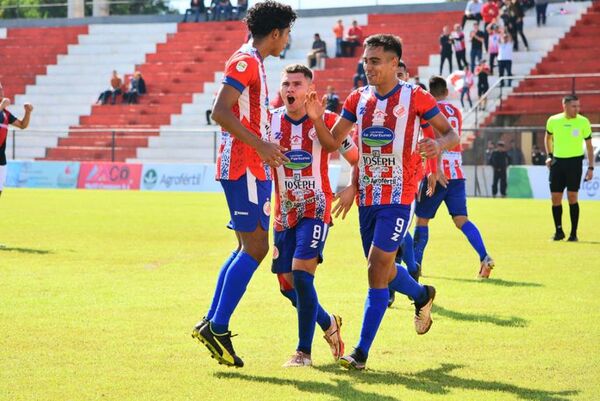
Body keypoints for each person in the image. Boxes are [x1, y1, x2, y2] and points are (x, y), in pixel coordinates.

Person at [330, 34, 459, 370]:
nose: (368, 66)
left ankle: (359, 353)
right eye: (365, 60)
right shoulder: (357, 98)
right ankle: (421, 295)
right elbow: (333, 141)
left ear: (394, 64)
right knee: (384, 272)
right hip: (367, 197)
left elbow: (451, 134)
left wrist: (438, 147)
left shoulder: (415, 96)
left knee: (375, 268)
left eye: (375, 61)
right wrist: (318, 116)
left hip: (399, 196)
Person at [191, 1, 297, 368]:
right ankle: (218, 326)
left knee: (244, 247)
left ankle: (211, 321)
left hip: (248, 164)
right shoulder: (246, 60)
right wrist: (261, 145)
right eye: (287, 33)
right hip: (244, 166)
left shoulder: (254, 62)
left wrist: (265, 143)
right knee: (255, 248)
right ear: (275, 33)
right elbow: (220, 111)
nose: (287, 40)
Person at [270, 64, 359, 367]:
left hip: (316, 208)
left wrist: (351, 188)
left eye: (297, 84)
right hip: (284, 212)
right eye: (286, 84)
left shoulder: (331, 120)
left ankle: (303, 353)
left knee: (301, 276)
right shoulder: (269, 123)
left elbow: (353, 156)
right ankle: (328, 323)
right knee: (287, 286)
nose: (290, 89)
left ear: (310, 89)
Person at [412, 76, 494, 280]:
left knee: (422, 221)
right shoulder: (456, 111)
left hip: (437, 172)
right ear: (446, 92)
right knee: (461, 220)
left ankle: (416, 267)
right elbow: (451, 137)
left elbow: (435, 139)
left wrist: (436, 167)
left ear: (429, 93)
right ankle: (484, 257)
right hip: (457, 173)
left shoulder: (429, 109)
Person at [545, 95, 594, 241]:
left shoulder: (583, 122)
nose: (577, 109)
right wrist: (549, 155)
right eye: (574, 106)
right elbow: (548, 137)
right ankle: (558, 231)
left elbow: (590, 147)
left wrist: (591, 167)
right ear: (564, 106)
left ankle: (574, 233)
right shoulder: (553, 120)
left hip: (575, 163)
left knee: (572, 197)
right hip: (557, 163)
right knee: (555, 198)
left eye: (578, 106)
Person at [0, 83, 33, 198]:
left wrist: (28, 112)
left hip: (1, 158)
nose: (1, 92)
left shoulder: (5, 114)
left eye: (1, 89)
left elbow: (22, 125)